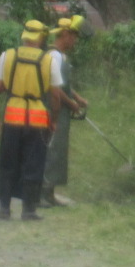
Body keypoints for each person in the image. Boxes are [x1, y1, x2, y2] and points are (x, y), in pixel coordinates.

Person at [0, 20, 56, 220]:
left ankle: (4, 208)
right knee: (33, 162)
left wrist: (14, 88)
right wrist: (53, 119)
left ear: (25, 36)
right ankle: (29, 210)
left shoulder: (7, 55)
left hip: (13, 116)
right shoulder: (48, 60)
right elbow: (55, 93)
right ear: (41, 38)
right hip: (37, 119)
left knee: (8, 161)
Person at [41, 15, 88, 208]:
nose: (75, 41)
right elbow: (56, 90)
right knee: (51, 150)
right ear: (66, 34)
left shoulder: (61, 56)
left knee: (58, 150)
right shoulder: (53, 56)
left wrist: (77, 98)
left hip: (61, 109)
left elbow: (63, 84)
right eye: (74, 37)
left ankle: (50, 194)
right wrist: (71, 104)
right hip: (53, 110)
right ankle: (42, 194)